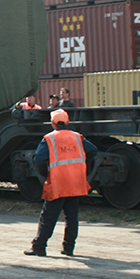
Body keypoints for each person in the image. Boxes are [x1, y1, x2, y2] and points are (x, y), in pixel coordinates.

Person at [25, 109, 97, 257]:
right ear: (67, 122)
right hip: (76, 181)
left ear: (53, 123)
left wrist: (46, 173)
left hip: (58, 182)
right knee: (72, 216)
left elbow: (39, 158)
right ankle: (68, 248)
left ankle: (39, 246)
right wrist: (82, 166)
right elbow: (93, 151)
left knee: (49, 216)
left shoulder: (49, 138)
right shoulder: (78, 137)